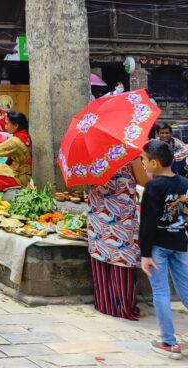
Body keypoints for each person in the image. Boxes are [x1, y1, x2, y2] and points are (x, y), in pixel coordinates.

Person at [139, 139, 188, 358]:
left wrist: (145, 254)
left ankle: (168, 342)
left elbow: (147, 223)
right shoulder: (184, 183)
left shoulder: (153, 187)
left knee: (160, 292)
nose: (142, 164)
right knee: (186, 290)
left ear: (155, 163)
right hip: (179, 242)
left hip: (158, 246)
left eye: (144, 160)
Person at [88, 158, 150, 320]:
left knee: (102, 256)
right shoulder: (129, 154)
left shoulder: (92, 155)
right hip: (121, 217)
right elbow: (144, 181)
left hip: (98, 214)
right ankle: (123, 307)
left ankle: (105, 305)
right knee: (123, 259)